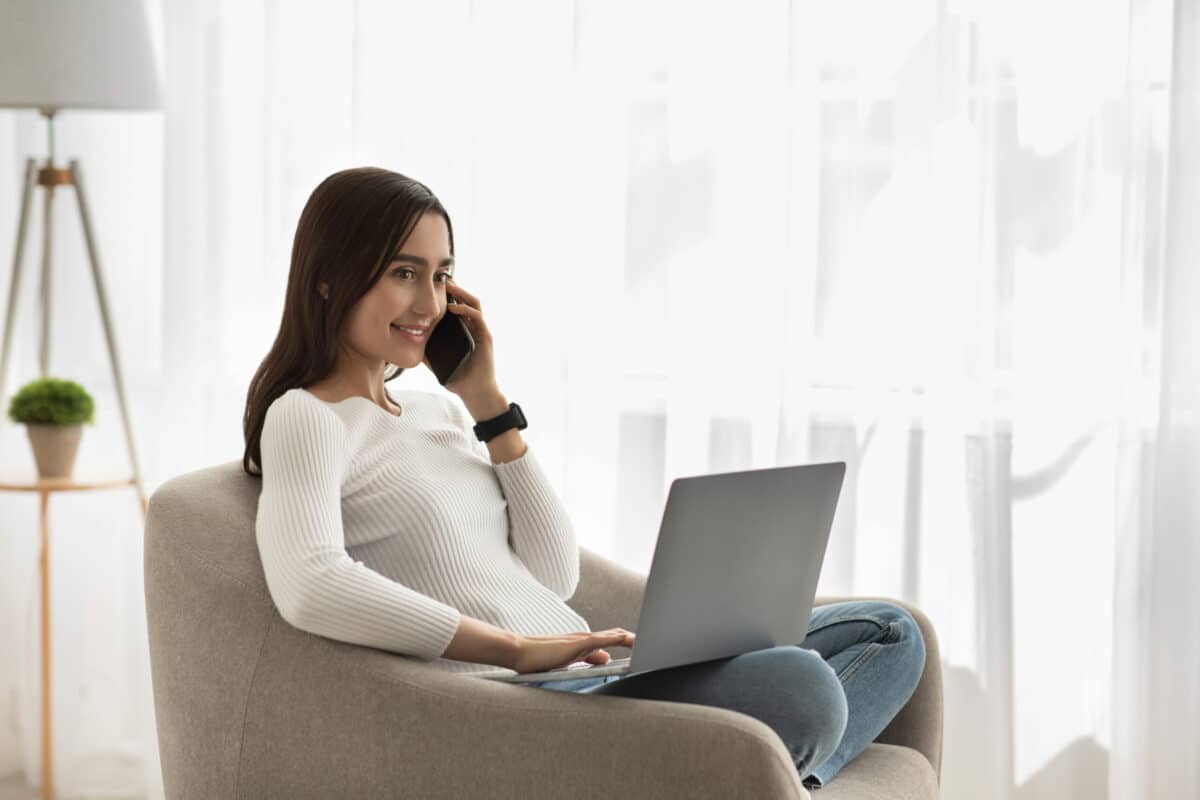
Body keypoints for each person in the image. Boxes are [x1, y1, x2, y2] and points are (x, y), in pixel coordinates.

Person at [242, 166, 927, 789]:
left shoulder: (438, 412)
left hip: (590, 676)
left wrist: (488, 404)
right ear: (330, 278)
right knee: (802, 686)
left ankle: (779, 785)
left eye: (442, 275)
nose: (430, 302)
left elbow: (553, 572)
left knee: (893, 634)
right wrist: (516, 650)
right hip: (526, 704)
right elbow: (312, 584)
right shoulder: (307, 417)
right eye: (403, 272)